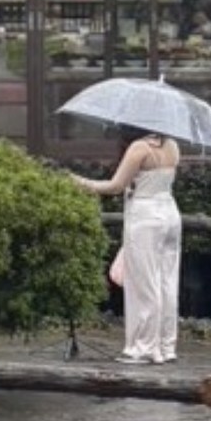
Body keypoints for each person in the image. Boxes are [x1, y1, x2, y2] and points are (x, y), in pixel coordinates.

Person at [79, 124, 181, 364]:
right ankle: (166, 347)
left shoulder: (139, 147)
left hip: (145, 215)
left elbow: (115, 185)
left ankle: (143, 348)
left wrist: (81, 183)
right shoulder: (172, 145)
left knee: (143, 283)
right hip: (169, 212)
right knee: (167, 281)